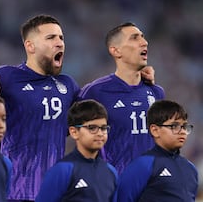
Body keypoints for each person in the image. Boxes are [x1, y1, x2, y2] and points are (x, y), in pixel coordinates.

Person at [0, 14, 81, 201]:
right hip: (15, 192)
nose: (59, 43)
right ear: (30, 46)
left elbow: (94, 113)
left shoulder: (68, 86)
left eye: (61, 38)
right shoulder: (6, 77)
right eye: (51, 38)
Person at [79, 22, 165, 174]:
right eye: (134, 38)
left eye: (143, 37)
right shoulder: (96, 91)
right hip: (115, 185)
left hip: (151, 185)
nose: (144, 42)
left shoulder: (156, 92)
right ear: (116, 50)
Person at [114, 100, 198, 201]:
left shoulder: (191, 168)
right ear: (155, 130)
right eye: (174, 126)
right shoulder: (143, 165)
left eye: (184, 126)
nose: (183, 132)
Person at [36, 100, 118, 202]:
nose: (100, 133)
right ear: (74, 132)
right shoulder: (62, 170)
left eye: (103, 128)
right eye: (92, 128)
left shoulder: (110, 172)